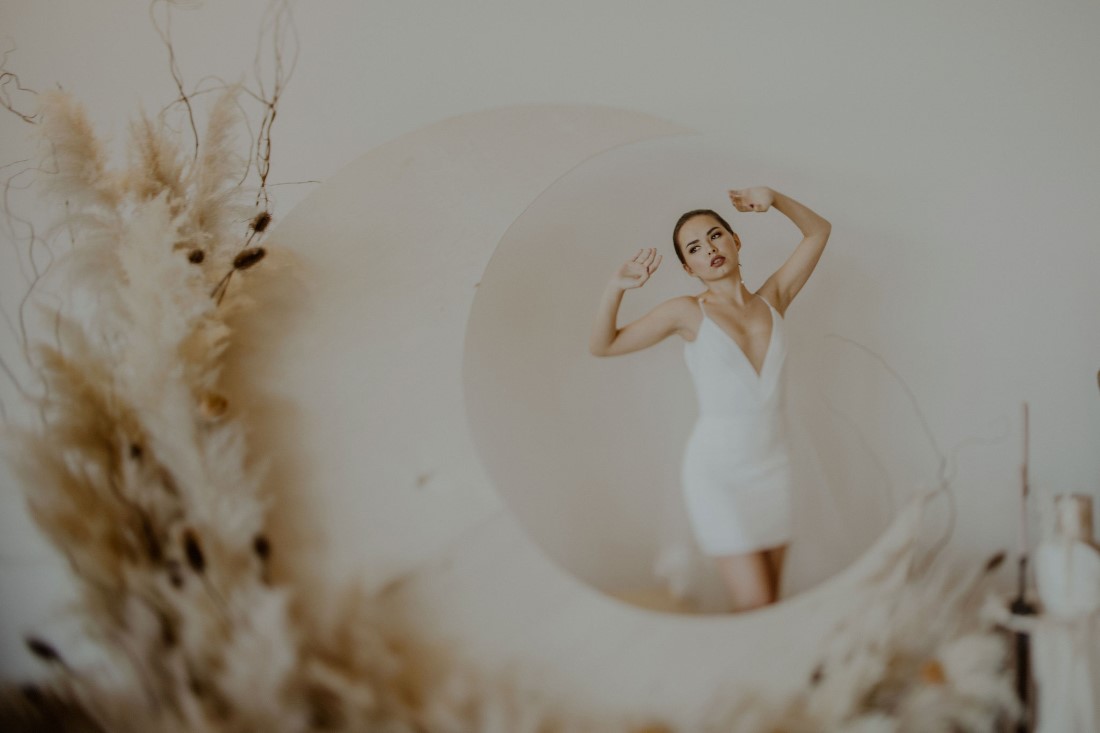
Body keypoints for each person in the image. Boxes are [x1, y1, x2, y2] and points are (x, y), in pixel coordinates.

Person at [588, 186, 831, 612]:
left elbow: (818, 232)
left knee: (771, 605)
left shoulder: (774, 299)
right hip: (718, 476)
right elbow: (604, 346)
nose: (710, 250)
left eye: (716, 236)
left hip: (775, 469)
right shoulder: (686, 312)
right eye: (695, 248)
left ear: (736, 241)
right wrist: (615, 287)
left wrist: (773, 198)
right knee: (755, 600)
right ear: (688, 266)